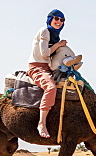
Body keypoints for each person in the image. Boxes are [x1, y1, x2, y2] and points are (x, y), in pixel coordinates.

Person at [27, 9, 79, 138]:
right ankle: (42, 123)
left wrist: (60, 45)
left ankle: (70, 62)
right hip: (37, 68)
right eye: (56, 18)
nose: (59, 22)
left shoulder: (55, 36)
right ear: (50, 19)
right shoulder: (44, 31)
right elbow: (45, 53)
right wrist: (58, 44)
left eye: (62, 20)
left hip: (49, 67)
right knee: (50, 88)